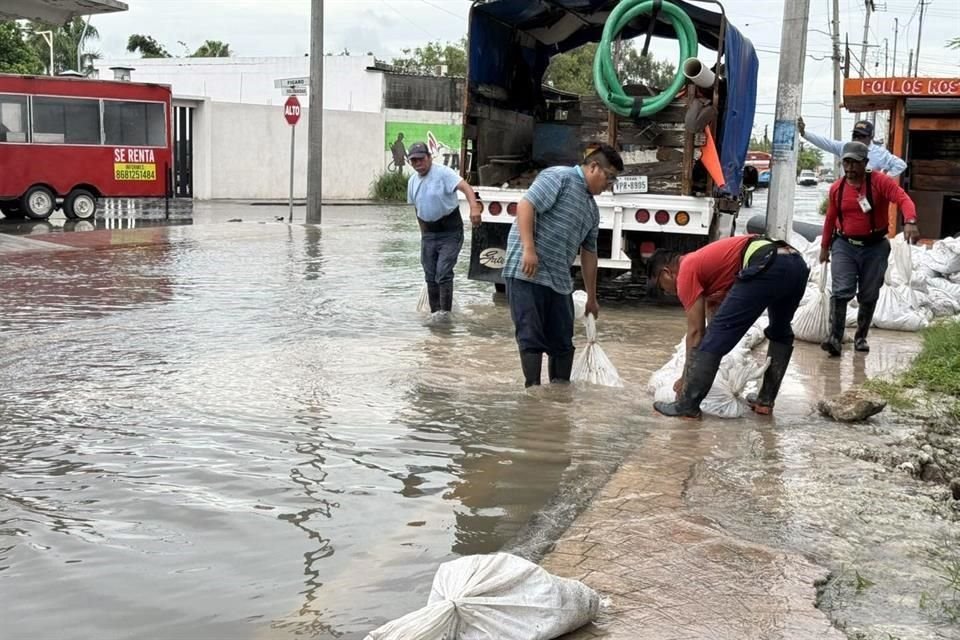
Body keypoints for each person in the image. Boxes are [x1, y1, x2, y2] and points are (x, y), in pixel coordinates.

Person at [649, 234, 810, 418]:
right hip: (795, 263)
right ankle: (765, 402)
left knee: (712, 341)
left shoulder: (686, 269)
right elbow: (717, 311)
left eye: (662, 286)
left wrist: (685, 379)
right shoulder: (705, 263)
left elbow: (696, 332)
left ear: (666, 273)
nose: (667, 292)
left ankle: (687, 405)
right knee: (780, 331)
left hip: (767, 263)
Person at [502, 144, 624, 387]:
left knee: (562, 344)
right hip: (527, 272)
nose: (609, 185)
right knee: (531, 337)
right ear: (593, 167)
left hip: (558, 280)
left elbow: (589, 253)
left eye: (614, 180)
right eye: (609, 177)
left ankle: (557, 398)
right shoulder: (559, 177)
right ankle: (533, 394)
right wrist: (529, 249)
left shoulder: (591, 210)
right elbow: (526, 205)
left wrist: (592, 297)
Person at [819, 141, 920, 356]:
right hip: (844, 245)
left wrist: (910, 221)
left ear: (865, 163)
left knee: (869, 293)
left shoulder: (879, 182)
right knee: (841, 291)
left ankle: (860, 337)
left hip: (875, 247)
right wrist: (824, 247)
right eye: (846, 162)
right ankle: (834, 338)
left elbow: (903, 199)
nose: (849, 168)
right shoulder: (837, 188)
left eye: (854, 163)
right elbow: (830, 218)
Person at [407, 141, 481, 313]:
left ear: (429, 157)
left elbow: (466, 188)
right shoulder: (412, 181)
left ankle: (445, 315)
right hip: (428, 233)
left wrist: (474, 208)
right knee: (430, 275)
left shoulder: (443, 173)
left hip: (450, 231)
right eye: (414, 160)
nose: (418, 163)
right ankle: (435, 314)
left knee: (443, 272)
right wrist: (423, 235)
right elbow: (417, 208)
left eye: (421, 159)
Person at [798, 117, 907, 177]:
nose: (857, 139)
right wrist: (804, 133)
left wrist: (884, 179)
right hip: (848, 194)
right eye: (855, 135)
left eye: (862, 136)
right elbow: (826, 143)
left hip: (869, 199)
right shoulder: (845, 147)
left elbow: (901, 165)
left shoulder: (880, 153)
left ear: (871, 137)